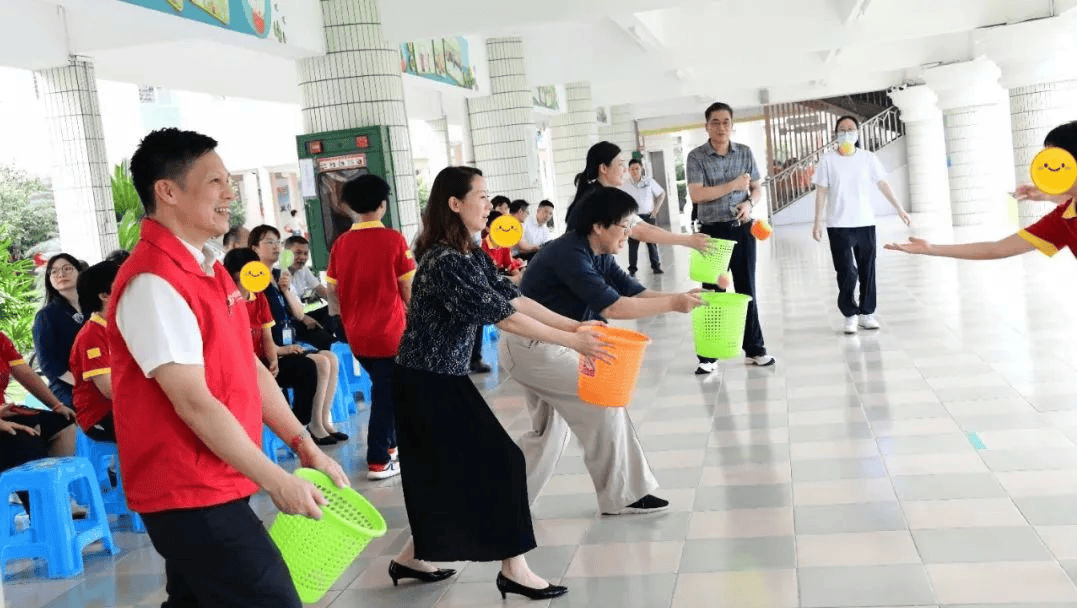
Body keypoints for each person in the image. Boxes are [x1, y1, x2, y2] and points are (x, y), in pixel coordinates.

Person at [115, 127, 347, 607]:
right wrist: (276, 479)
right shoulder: (153, 283)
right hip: (188, 491)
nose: (229, 193)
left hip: (215, 480)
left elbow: (249, 367)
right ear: (168, 191)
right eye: (215, 182)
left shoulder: (208, 266)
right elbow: (195, 404)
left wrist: (304, 446)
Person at [392, 165, 611, 601]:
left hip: (440, 377)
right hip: (424, 381)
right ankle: (515, 569)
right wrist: (573, 340)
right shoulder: (443, 261)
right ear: (454, 204)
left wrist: (576, 326)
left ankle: (413, 556)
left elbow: (517, 297)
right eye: (481, 196)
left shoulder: (469, 254)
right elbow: (506, 318)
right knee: (502, 463)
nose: (489, 205)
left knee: (441, 472)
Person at [509, 187, 702, 515]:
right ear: (598, 226)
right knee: (604, 403)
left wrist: (683, 298)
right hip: (535, 347)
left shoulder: (594, 252)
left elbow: (633, 291)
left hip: (553, 345)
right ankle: (624, 495)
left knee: (547, 435)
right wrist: (673, 303)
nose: (629, 234)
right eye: (624, 227)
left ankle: (506, 505)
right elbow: (612, 307)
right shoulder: (569, 253)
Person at [886, 120, 1077, 270]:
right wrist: (931, 249)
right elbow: (996, 249)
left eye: (1057, 163)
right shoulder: (1063, 219)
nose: (1048, 171)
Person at [326, 174, 413, 480]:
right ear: (382, 205)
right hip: (391, 333)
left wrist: (341, 320)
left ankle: (389, 446)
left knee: (386, 387)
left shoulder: (341, 244)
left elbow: (332, 290)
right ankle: (377, 459)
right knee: (387, 394)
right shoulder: (394, 240)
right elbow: (408, 288)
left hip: (357, 336)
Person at [687, 102, 775, 374]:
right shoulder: (696, 157)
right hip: (711, 232)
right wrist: (734, 186)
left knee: (747, 289)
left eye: (726, 121)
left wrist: (749, 202)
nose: (721, 127)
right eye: (715, 122)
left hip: (742, 228)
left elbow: (757, 188)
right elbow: (697, 195)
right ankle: (709, 356)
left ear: (732, 125)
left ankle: (755, 349)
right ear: (706, 126)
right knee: (713, 292)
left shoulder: (745, 153)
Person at [812, 115, 911, 334]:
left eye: (851, 129)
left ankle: (867, 313)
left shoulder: (868, 158)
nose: (847, 132)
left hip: (865, 222)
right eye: (842, 129)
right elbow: (821, 193)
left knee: (868, 269)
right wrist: (817, 222)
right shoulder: (827, 160)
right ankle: (849, 313)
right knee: (846, 271)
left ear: (857, 133)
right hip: (838, 224)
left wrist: (899, 208)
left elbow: (883, 184)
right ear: (836, 134)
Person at [249, 225, 344, 444]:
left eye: (277, 243)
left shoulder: (276, 276)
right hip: (271, 352)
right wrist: (280, 350)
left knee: (330, 358)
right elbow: (258, 325)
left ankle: (320, 422)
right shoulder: (255, 280)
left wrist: (285, 289)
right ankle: (304, 423)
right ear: (255, 248)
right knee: (317, 364)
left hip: (285, 343)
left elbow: (299, 313)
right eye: (269, 242)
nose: (276, 248)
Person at [223, 248, 319, 433]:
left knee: (306, 368)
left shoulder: (259, 297)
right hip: (242, 367)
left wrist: (274, 361)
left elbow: (266, 336)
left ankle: (300, 426)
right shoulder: (226, 301)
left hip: (265, 362)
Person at [565, 141, 710, 257]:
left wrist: (688, 239)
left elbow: (646, 227)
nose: (625, 170)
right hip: (580, 264)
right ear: (603, 168)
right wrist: (687, 241)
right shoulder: (598, 198)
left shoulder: (602, 193)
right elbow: (640, 231)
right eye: (620, 164)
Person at [69, 261, 120, 442]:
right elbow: (110, 391)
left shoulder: (120, 325)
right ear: (105, 295)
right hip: (100, 416)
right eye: (122, 282)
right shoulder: (92, 336)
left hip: (122, 408)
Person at [33, 253, 86, 407]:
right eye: (54, 271)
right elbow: (48, 364)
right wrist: (80, 384)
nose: (61, 274)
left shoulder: (93, 308)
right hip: (67, 385)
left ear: (79, 272)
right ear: (49, 279)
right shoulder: (46, 316)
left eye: (67, 268)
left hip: (99, 377)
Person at [620, 158, 667, 276]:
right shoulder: (625, 185)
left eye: (637, 168)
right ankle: (632, 269)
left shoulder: (649, 182)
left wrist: (656, 209)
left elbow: (662, 194)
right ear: (628, 171)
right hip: (633, 218)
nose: (635, 171)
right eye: (632, 169)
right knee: (633, 243)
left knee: (651, 242)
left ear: (641, 169)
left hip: (648, 216)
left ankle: (656, 267)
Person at [481, 211, 524, 281]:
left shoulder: (504, 246)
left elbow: (511, 265)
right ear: (487, 228)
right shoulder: (482, 247)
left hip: (500, 278)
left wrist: (517, 275)